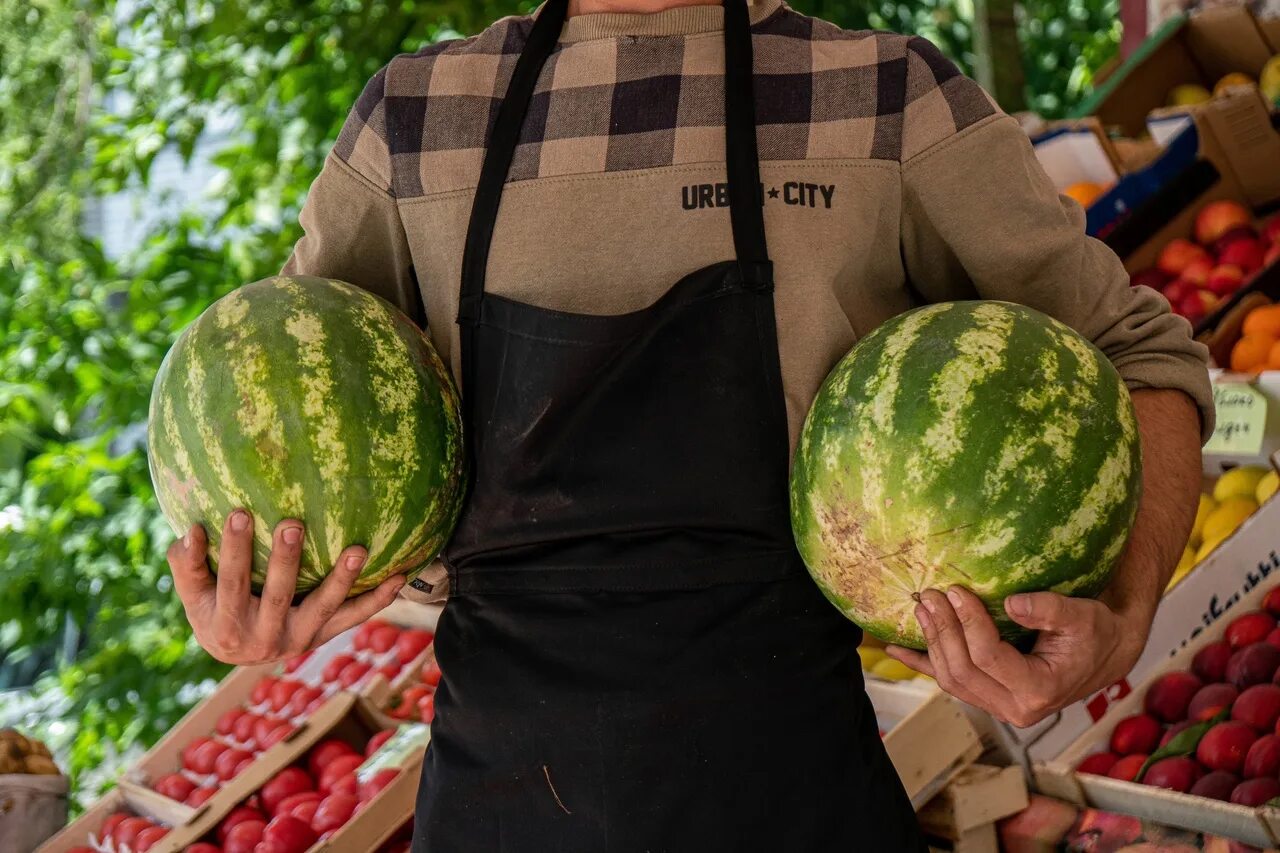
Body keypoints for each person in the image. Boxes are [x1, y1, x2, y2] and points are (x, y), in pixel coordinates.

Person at [165, 0, 1211, 848]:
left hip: (794, 794)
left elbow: (1143, 357)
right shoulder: (413, 118)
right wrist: (240, 602)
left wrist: (1120, 613)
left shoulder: (886, 100)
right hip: (500, 805)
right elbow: (266, 409)